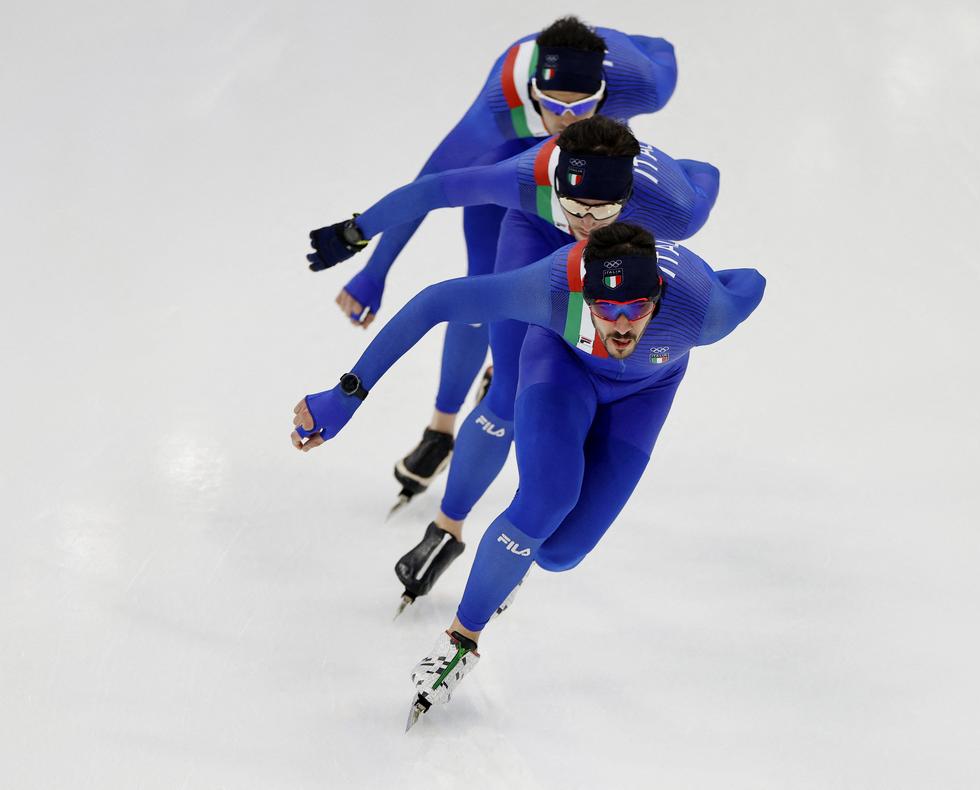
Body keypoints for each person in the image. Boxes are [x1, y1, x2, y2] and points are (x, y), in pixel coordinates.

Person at [290, 222, 766, 726]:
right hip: (560, 367)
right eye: (607, 310)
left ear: (660, 295)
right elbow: (434, 303)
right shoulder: (552, 288)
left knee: (561, 553)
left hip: (645, 394)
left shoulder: (707, 310)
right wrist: (348, 393)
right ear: (587, 297)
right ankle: (460, 640)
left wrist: (699, 275)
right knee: (547, 500)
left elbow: (751, 280)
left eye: (637, 309)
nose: (623, 326)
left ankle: (515, 551)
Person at [306, 116, 721, 608]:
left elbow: (705, 174)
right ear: (556, 186)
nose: (586, 224)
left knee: (552, 388)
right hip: (540, 245)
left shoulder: (675, 209)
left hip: (620, 279)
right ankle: (448, 525)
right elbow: (436, 187)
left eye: (603, 209)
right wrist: (358, 232)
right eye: (574, 206)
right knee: (507, 390)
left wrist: (667, 170)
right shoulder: (528, 179)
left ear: (630, 199)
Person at [307, 16, 678, 504]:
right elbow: (432, 185)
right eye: (552, 106)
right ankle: (441, 427)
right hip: (514, 171)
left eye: (582, 107)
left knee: (571, 293)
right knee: (481, 293)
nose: (567, 120)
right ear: (531, 92)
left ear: (606, 94)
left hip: (594, 184)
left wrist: (614, 42)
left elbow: (661, 48)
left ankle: (510, 378)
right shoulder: (496, 109)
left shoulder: (642, 83)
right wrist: (375, 264)